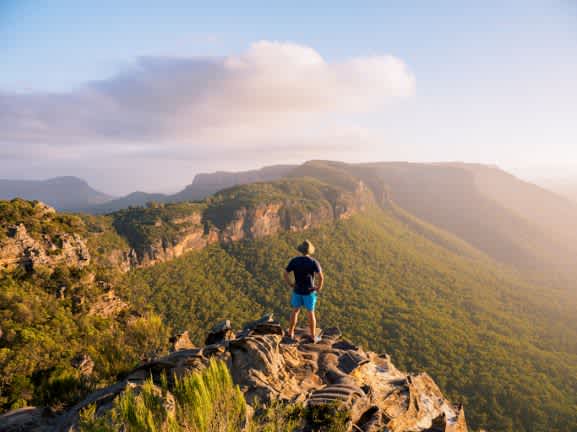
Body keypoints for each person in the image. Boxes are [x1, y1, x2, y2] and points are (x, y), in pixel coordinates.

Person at [283, 239, 324, 342]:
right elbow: (321, 277)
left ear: (301, 250)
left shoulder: (294, 260)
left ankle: (290, 333)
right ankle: (313, 336)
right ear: (310, 251)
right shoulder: (313, 262)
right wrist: (318, 288)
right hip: (309, 291)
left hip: (297, 290)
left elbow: (285, 273)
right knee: (310, 313)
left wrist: (290, 284)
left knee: (295, 311)